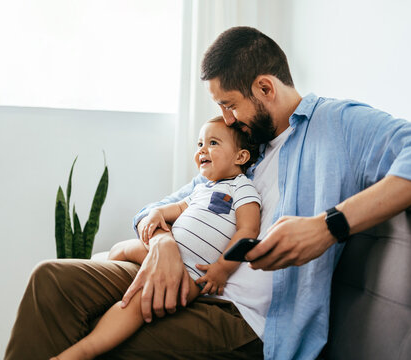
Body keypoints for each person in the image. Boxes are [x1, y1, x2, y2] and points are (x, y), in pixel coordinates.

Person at [5, 26, 411, 360]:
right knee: (51, 278)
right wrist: (162, 242)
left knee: (105, 342)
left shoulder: (338, 125)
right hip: (192, 278)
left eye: (229, 105)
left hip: (247, 320)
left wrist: (330, 225)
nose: (226, 119)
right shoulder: (246, 149)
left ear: (264, 87)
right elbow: (161, 205)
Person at [50, 116, 262, 359]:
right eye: (199, 144)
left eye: (213, 143)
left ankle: (83, 351)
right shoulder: (202, 188)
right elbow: (177, 208)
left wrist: (223, 269)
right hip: (162, 257)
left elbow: (248, 231)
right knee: (120, 249)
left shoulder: (242, 188)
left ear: (241, 157)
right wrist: (157, 213)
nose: (202, 150)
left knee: (137, 305)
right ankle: (102, 269)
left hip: (191, 273)